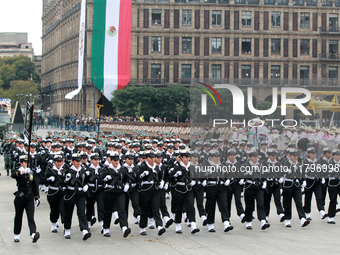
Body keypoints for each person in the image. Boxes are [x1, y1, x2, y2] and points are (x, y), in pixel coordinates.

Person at [12, 155, 40, 243]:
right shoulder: (19, 171)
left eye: (28, 162)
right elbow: (14, 175)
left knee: (30, 216)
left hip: (29, 197)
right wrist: (23, 172)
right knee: (18, 216)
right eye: (25, 162)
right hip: (20, 197)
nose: (27, 164)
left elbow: (34, 186)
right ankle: (16, 234)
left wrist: (37, 197)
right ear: (21, 163)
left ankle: (33, 234)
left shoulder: (31, 172)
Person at [63, 153, 91, 240]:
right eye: (77, 161)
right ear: (72, 162)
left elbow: (86, 180)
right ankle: (67, 229)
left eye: (80, 161)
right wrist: (67, 179)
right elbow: (62, 182)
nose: (79, 163)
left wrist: (86, 186)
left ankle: (84, 230)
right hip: (70, 193)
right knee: (68, 212)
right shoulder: (67, 170)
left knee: (81, 212)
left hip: (80, 194)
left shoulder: (83, 170)